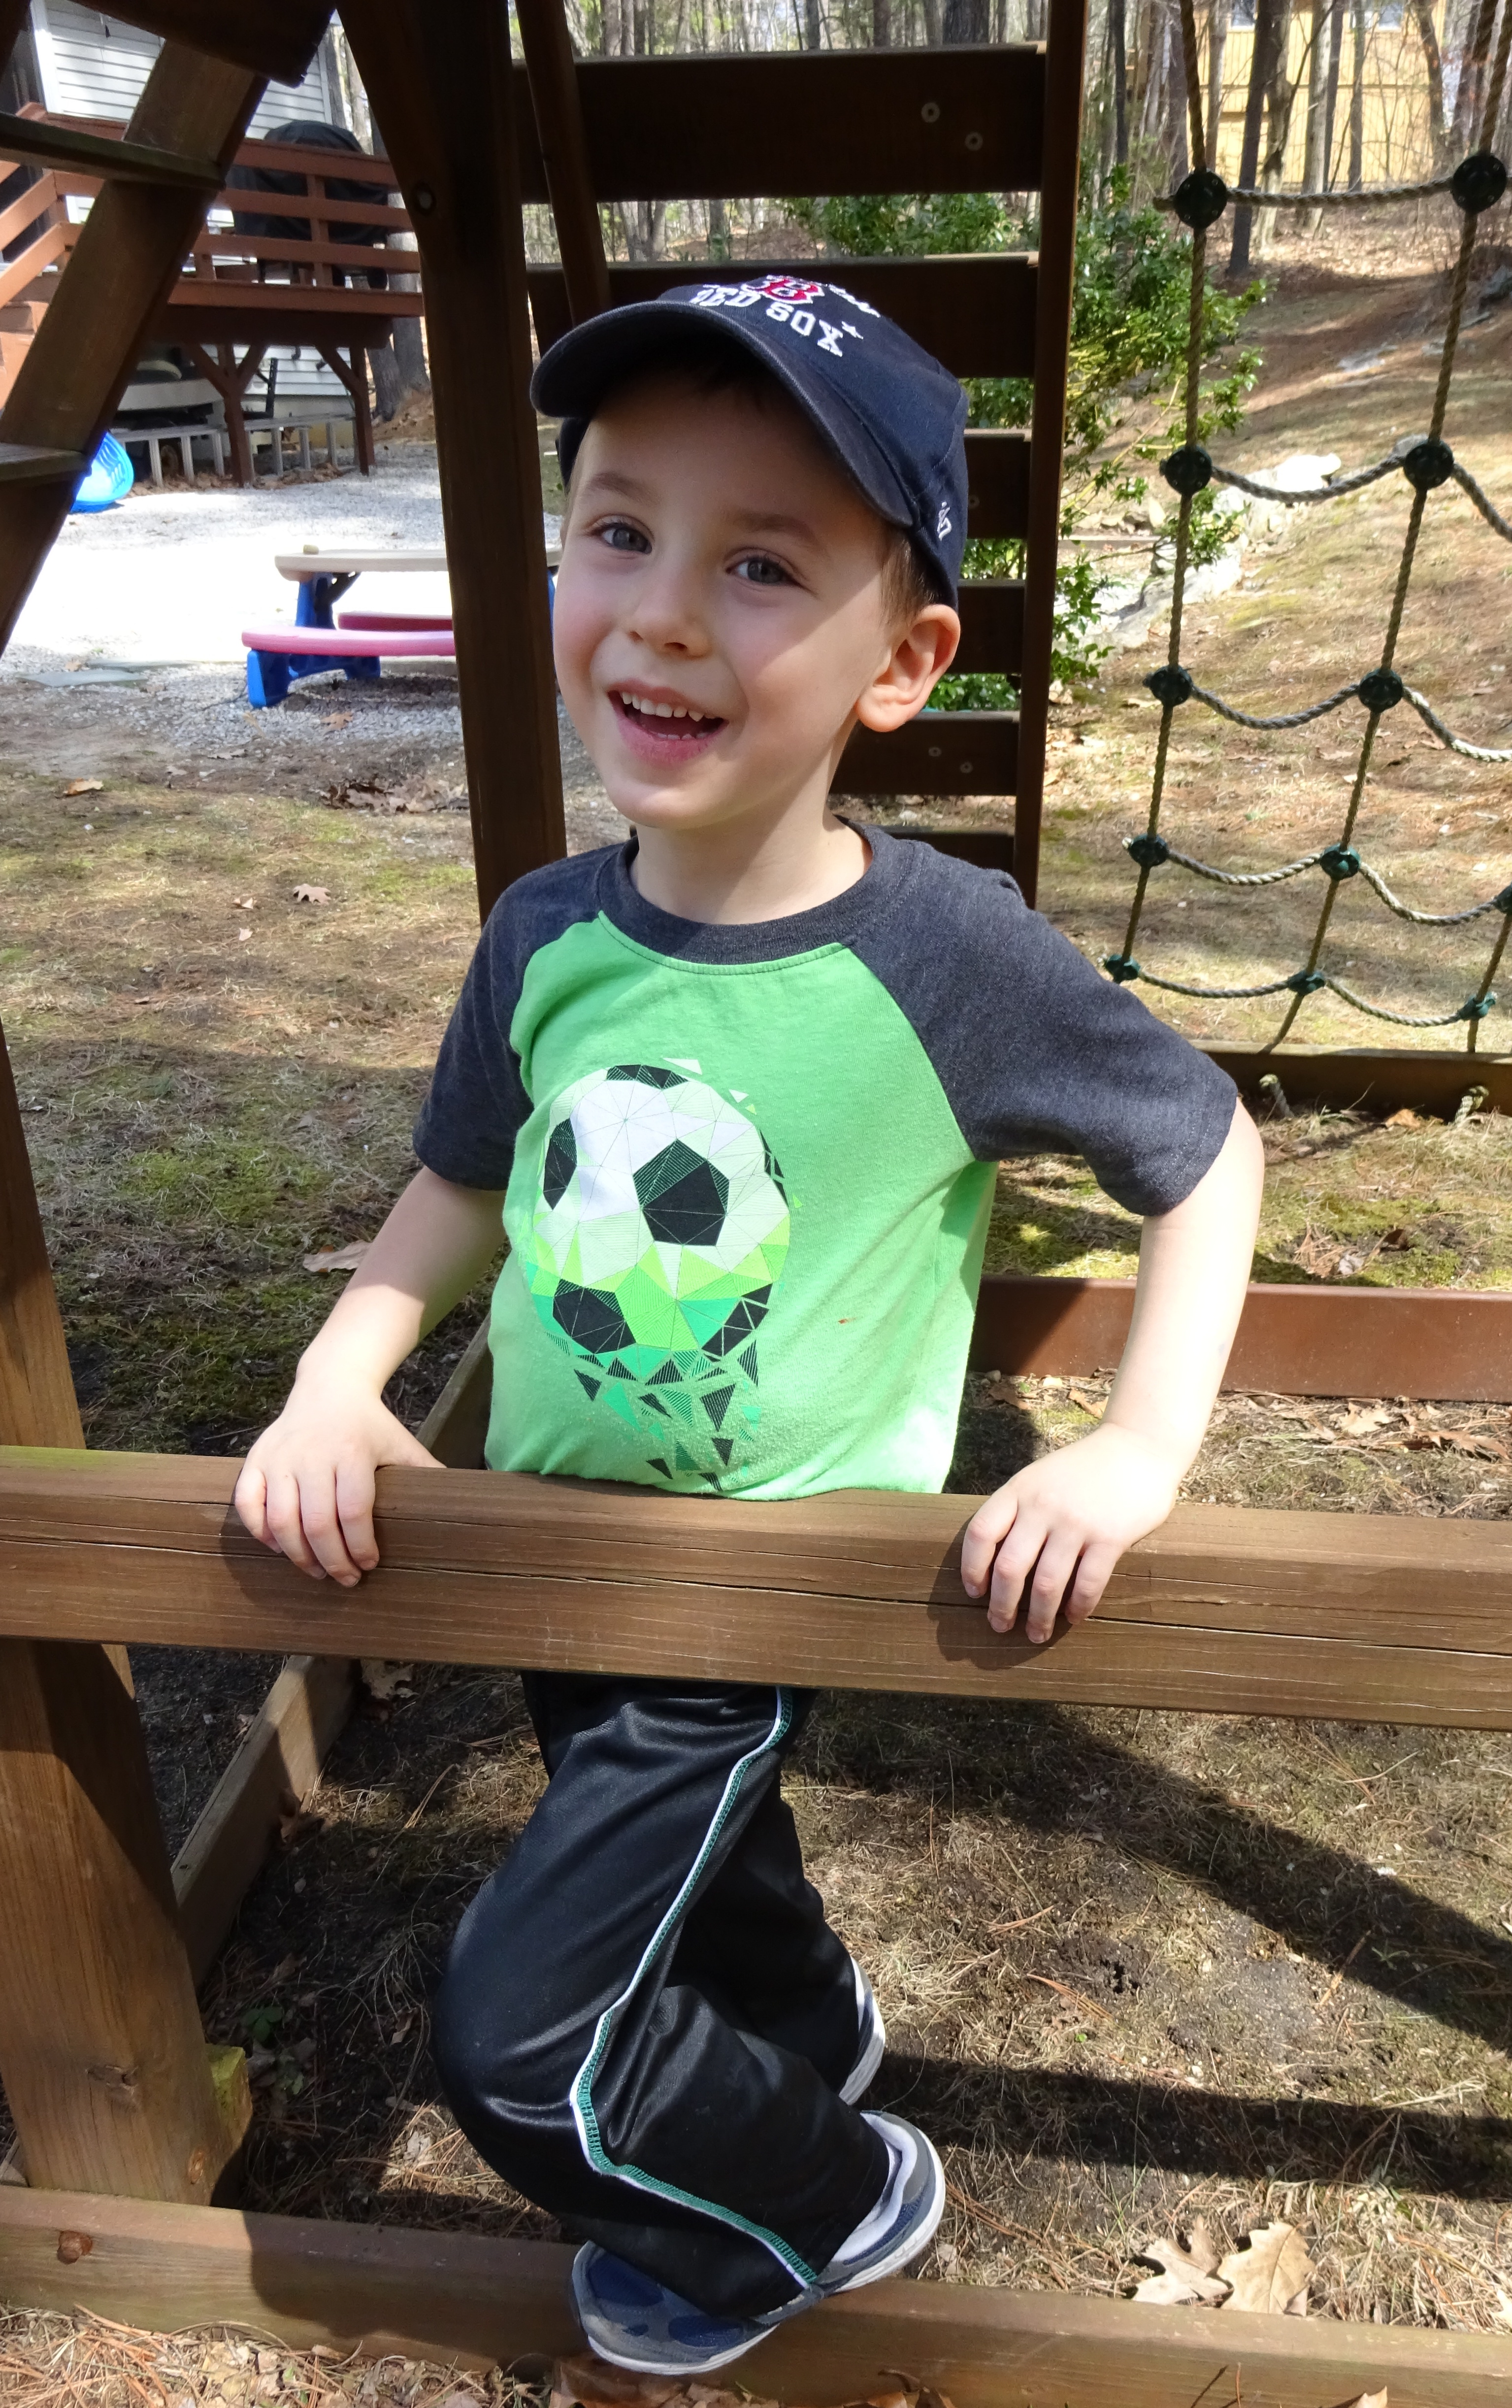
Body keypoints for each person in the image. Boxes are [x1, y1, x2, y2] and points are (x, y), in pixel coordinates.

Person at [232, 273, 1264, 2376]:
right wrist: (342, 1373)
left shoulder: (945, 960)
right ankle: (806, 2017)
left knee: (527, 2042)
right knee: (698, 1876)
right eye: (619, 530)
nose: (665, 614)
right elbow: (461, 1179)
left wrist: (1139, 1448)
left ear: (901, 663)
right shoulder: (544, 933)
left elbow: (1205, 1149)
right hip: (551, 1548)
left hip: (752, 1594)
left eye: (761, 564)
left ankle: (825, 2190)